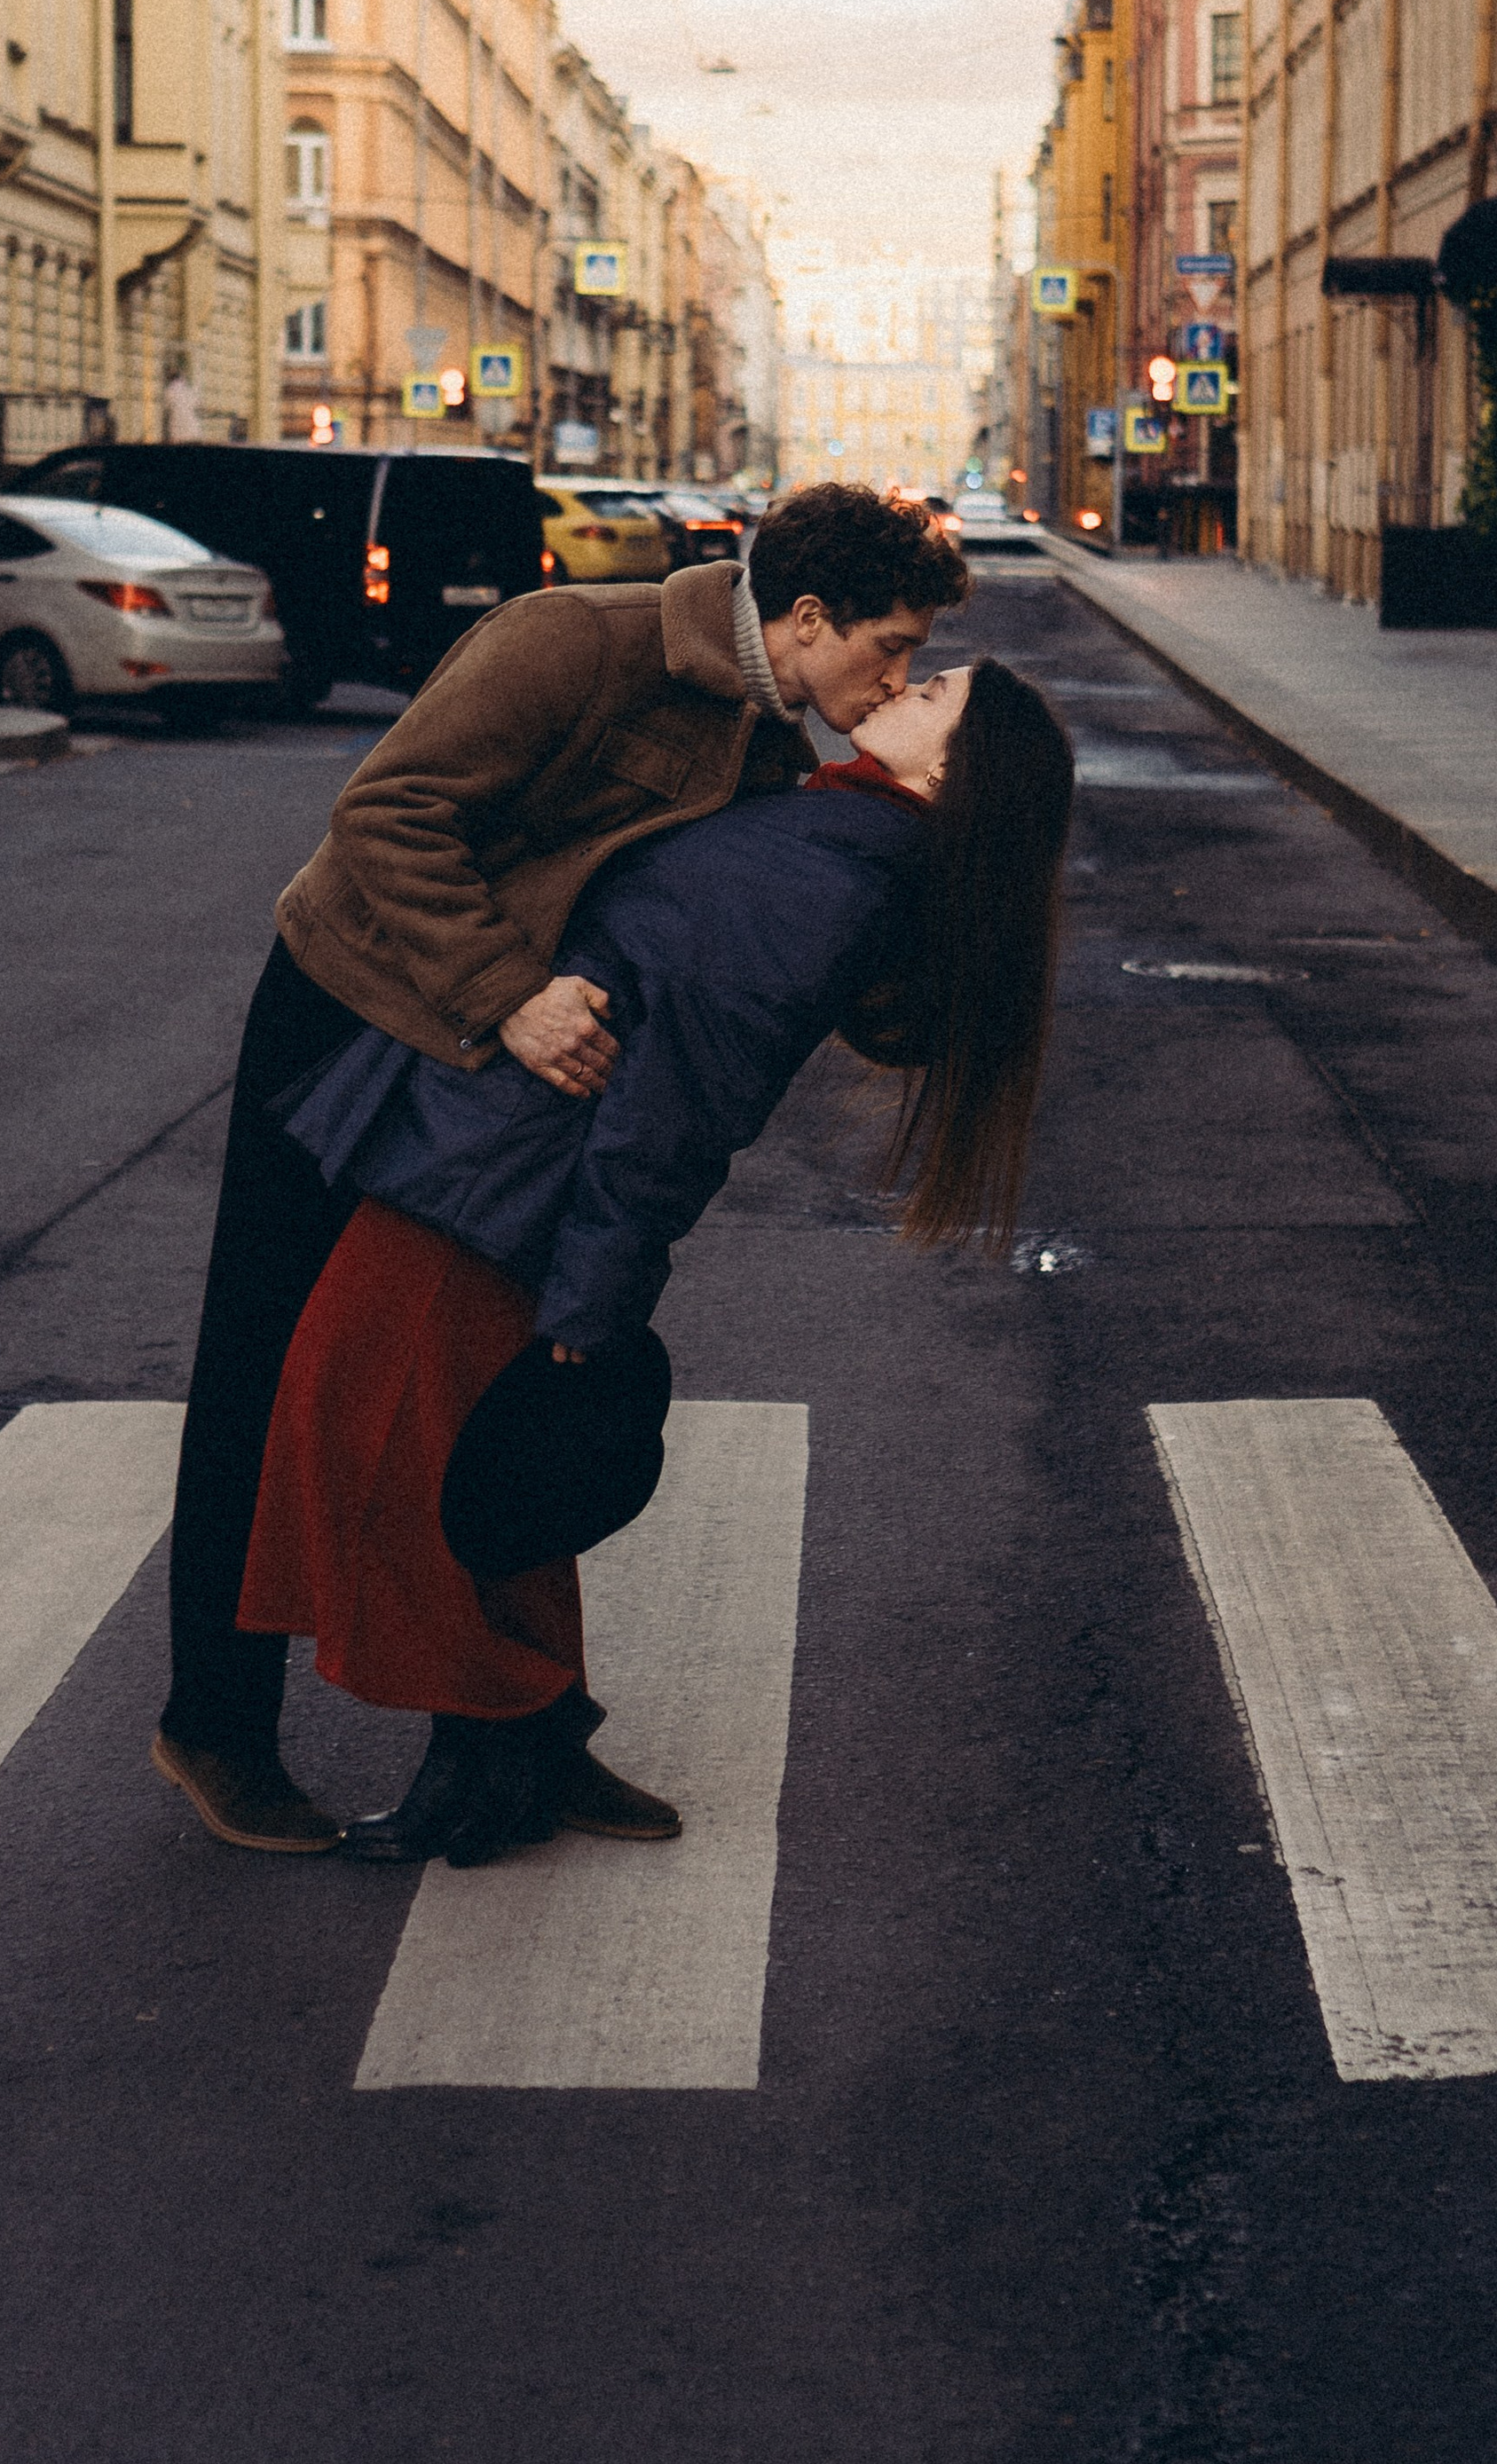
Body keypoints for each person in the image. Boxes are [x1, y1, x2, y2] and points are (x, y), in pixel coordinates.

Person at [152, 483, 970, 1852]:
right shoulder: (575, 642)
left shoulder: (775, 738)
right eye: (889, 648)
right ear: (808, 616)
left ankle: (528, 1732)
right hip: (353, 1007)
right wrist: (509, 994)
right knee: (265, 1363)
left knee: (497, 1399)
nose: (895, 678)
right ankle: (214, 1728)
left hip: (499, 1079)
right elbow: (387, 813)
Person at [235, 655, 1077, 1868]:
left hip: (501, 1177)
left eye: (936, 685)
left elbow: (679, 1104)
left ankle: (496, 1739)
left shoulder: (834, 879)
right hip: (499, 1156)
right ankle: (541, 1732)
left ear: (954, 771)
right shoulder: (839, 825)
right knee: (468, 1462)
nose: (905, 676)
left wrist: (596, 1297)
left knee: (370, 1447)